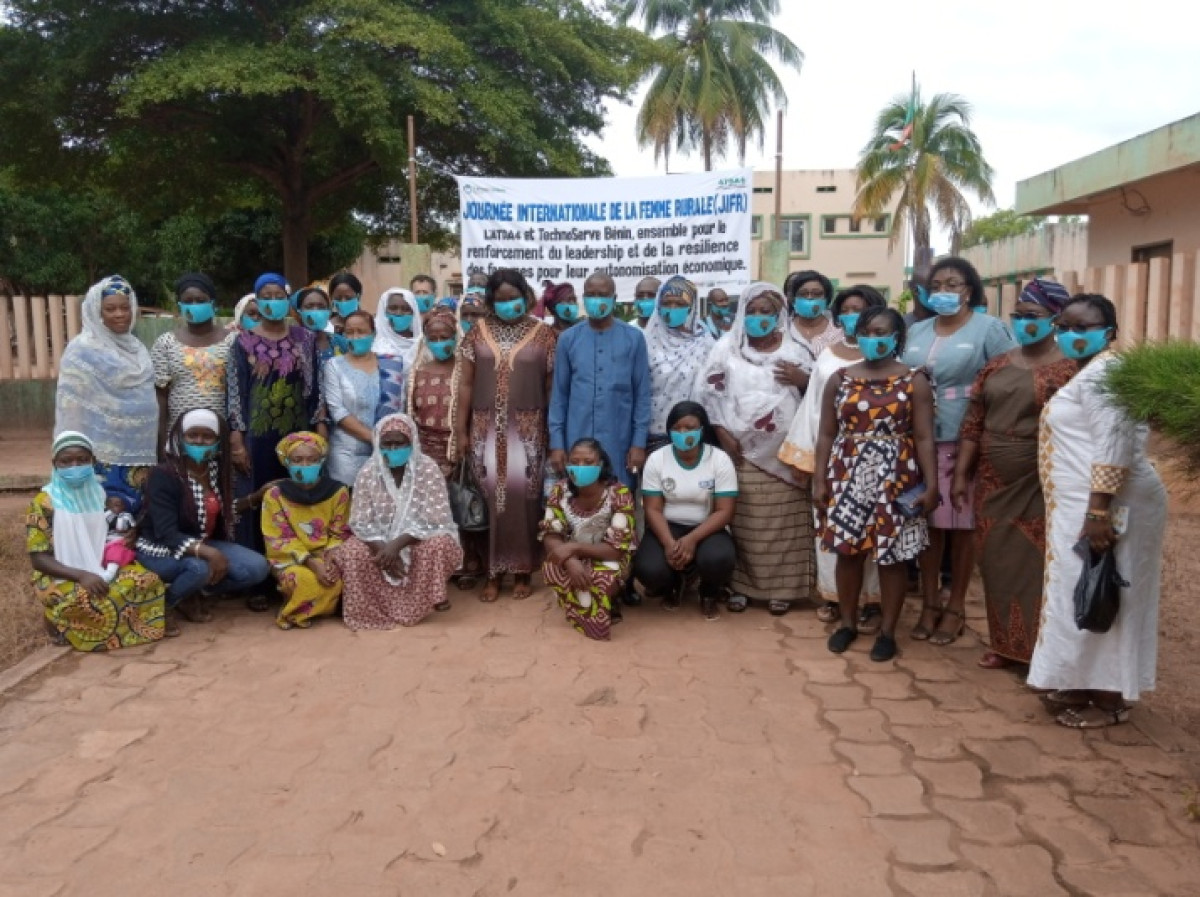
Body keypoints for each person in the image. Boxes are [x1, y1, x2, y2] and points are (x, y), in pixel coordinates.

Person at [1028, 295, 1167, 728]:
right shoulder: (1087, 372)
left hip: (1109, 503)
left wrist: (1097, 513)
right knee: (1082, 588)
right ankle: (1080, 677)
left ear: (1108, 332)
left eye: (1083, 326)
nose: (1072, 333)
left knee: (1110, 591)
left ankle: (1110, 697)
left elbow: (1114, 446)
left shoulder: (1110, 372)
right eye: (1065, 325)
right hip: (1086, 502)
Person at [951, 279, 1077, 669]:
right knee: (996, 562)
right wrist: (960, 475)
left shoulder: (1070, 369)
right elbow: (974, 422)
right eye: (1018, 316)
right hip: (991, 481)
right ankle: (1005, 644)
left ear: (1055, 318)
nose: (1024, 323)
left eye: (1033, 316)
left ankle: (1039, 650)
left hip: (1040, 480)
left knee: (1036, 564)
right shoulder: (997, 365)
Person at [900, 257, 1015, 645]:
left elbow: (1007, 382)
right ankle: (930, 603)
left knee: (961, 527)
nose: (944, 291)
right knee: (928, 524)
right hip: (918, 440)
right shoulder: (915, 331)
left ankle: (956, 607)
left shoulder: (990, 329)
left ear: (970, 289)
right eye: (937, 284)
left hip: (965, 440)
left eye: (953, 283)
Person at [814, 307, 938, 661]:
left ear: (897, 337)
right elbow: (825, 434)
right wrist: (820, 480)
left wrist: (932, 485)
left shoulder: (914, 380)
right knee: (847, 552)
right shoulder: (840, 378)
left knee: (892, 557)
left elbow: (925, 437)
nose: (874, 338)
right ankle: (848, 624)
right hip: (847, 474)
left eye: (882, 332)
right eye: (868, 331)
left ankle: (887, 631)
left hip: (896, 475)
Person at [694, 281, 815, 616]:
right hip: (740, 452)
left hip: (786, 454)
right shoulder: (725, 349)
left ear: (780, 315)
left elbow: (820, 400)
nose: (759, 317)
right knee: (745, 524)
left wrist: (804, 380)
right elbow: (709, 394)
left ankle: (783, 590)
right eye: (753, 311)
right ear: (741, 314)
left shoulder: (797, 352)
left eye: (767, 311)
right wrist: (720, 432)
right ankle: (742, 588)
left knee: (784, 523)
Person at [780, 286, 888, 629]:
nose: (853, 314)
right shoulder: (828, 354)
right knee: (831, 529)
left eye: (861, 308)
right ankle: (834, 597)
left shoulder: (889, 356)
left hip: (879, 457)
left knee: (874, 529)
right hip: (835, 457)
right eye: (847, 309)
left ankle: (872, 600)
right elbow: (814, 408)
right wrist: (807, 459)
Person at [454, 268, 557, 602]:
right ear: (490, 301)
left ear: (526, 296)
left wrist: (553, 433)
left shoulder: (545, 335)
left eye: (513, 298)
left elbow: (551, 387)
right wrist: (460, 429)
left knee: (524, 502)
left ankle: (523, 569)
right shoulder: (476, 334)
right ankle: (493, 572)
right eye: (500, 299)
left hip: (528, 433)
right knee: (490, 501)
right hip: (484, 430)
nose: (508, 304)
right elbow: (466, 383)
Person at [27, 432, 166, 650]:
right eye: (66, 461)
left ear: (92, 461)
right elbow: (38, 559)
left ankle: (113, 630)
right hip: (59, 573)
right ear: (55, 463)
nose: (75, 466)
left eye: (82, 460)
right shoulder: (44, 502)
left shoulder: (98, 494)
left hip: (99, 564)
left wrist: (129, 534)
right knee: (88, 599)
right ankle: (58, 623)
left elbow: (110, 531)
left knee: (148, 580)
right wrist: (81, 575)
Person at [136, 410, 271, 632]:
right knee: (199, 569)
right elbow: (166, 533)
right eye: (192, 435)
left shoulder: (216, 470)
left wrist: (255, 498)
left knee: (257, 568)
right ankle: (166, 604)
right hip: (160, 548)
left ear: (218, 442)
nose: (199, 441)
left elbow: (214, 509)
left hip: (198, 543)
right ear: (181, 438)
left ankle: (191, 592)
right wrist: (210, 553)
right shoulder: (164, 474)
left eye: (207, 436)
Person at [327, 413, 463, 628]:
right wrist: (384, 550)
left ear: (411, 442)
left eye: (398, 443)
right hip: (379, 540)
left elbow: (436, 518)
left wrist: (397, 545)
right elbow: (360, 521)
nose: (392, 449)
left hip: (415, 538)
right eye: (386, 444)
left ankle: (425, 601)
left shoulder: (428, 469)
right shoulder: (368, 472)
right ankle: (370, 610)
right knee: (352, 551)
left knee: (441, 544)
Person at [227, 272, 322, 552]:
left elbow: (315, 388)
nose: (272, 302)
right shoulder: (242, 342)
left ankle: (295, 564)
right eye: (265, 296)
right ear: (256, 299)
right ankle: (259, 568)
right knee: (260, 496)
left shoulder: (303, 338)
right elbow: (235, 392)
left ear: (287, 299)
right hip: (256, 437)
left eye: (278, 296)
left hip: (296, 433)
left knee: (296, 496)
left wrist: (317, 429)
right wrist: (237, 439)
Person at [55, 275, 158, 512]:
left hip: (139, 452)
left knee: (137, 515)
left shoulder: (137, 348)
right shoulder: (82, 349)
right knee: (103, 513)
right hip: (100, 453)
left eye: (125, 307)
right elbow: (71, 406)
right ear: (96, 312)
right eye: (110, 309)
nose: (120, 314)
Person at [633, 401, 738, 620]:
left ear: (702, 430)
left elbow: (724, 511)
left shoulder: (719, 460)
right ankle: (675, 583)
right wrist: (669, 543)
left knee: (719, 558)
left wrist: (692, 539)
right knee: (648, 569)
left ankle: (708, 592)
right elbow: (652, 509)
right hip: (668, 527)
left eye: (690, 428)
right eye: (677, 428)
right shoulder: (657, 459)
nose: (683, 433)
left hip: (707, 527)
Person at [549, 271, 651, 488]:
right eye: (591, 294)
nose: (597, 300)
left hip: (619, 444)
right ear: (583, 298)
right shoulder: (568, 339)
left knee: (619, 511)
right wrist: (557, 444)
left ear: (614, 299)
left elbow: (642, 395)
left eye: (603, 294)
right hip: (576, 444)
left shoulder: (634, 338)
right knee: (577, 508)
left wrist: (638, 444)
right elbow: (559, 396)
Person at [540, 439, 637, 641]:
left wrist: (573, 549)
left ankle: (605, 604)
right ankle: (581, 605)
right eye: (575, 461)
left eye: (588, 461)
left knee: (602, 577)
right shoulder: (560, 491)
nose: (580, 467)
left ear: (600, 464)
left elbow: (616, 549)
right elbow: (550, 534)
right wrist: (570, 561)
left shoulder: (619, 493)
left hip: (608, 555)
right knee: (552, 568)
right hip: (572, 555)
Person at [261, 432, 351, 630]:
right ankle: (293, 613)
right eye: (297, 460)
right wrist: (311, 562)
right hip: (292, 558)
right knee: (303, 580)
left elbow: (340, 532)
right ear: (286, 461)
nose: (305, 465)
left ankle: (324, 607)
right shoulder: (275, 495)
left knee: (337, 577)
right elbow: (278, 537)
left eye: (312, 460)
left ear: (322, 461)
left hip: (327, 555)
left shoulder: (338, 492)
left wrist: (328, 560)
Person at [152, 272, 237, 454]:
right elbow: (160, 398)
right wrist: (160, 445)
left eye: (200, 300)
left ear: (213, 303)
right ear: (180, 306)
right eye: (188, 301)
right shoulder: (165, 343)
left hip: (221, 436)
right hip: (179, 436)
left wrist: (237, 436)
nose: (194, 305)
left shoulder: (233, 342)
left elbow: (239, 394)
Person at [323, 310, 406, 486]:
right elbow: (337, 411)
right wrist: (374, 438)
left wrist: (387, 442)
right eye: (349, 332)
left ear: (373, 334)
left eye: (361, 331)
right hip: (346, 454)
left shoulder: (392, 364)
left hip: (387, 451)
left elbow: (401, 406)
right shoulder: (334, 366)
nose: (355, 337)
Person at [643, 276, 714, 454]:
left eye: (680, 304)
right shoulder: (646, 342)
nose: (672, 309)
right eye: (667, 303)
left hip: (695, 435)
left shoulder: (706, 343)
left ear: (691, 308)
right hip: (654, 437)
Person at [782, 270, 843, 386]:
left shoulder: (840, 332)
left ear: (827, 299)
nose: (810, 298)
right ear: (793, 299)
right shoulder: (783, 330)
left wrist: (806, 381)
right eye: (803, 294)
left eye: (817, 294)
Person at [373, 287, 424, 368]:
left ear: (413, 312)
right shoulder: (374, 346)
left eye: (406, 309)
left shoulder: (422, 345)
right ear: (384, 311)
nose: (399, 313)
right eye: (393, 308)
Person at [295, 285, 347, 363]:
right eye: (309, 306)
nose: (315, 311)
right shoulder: (291, 344)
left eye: (321, 307)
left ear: (329, 312)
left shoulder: (340, 342)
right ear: (299, 312)